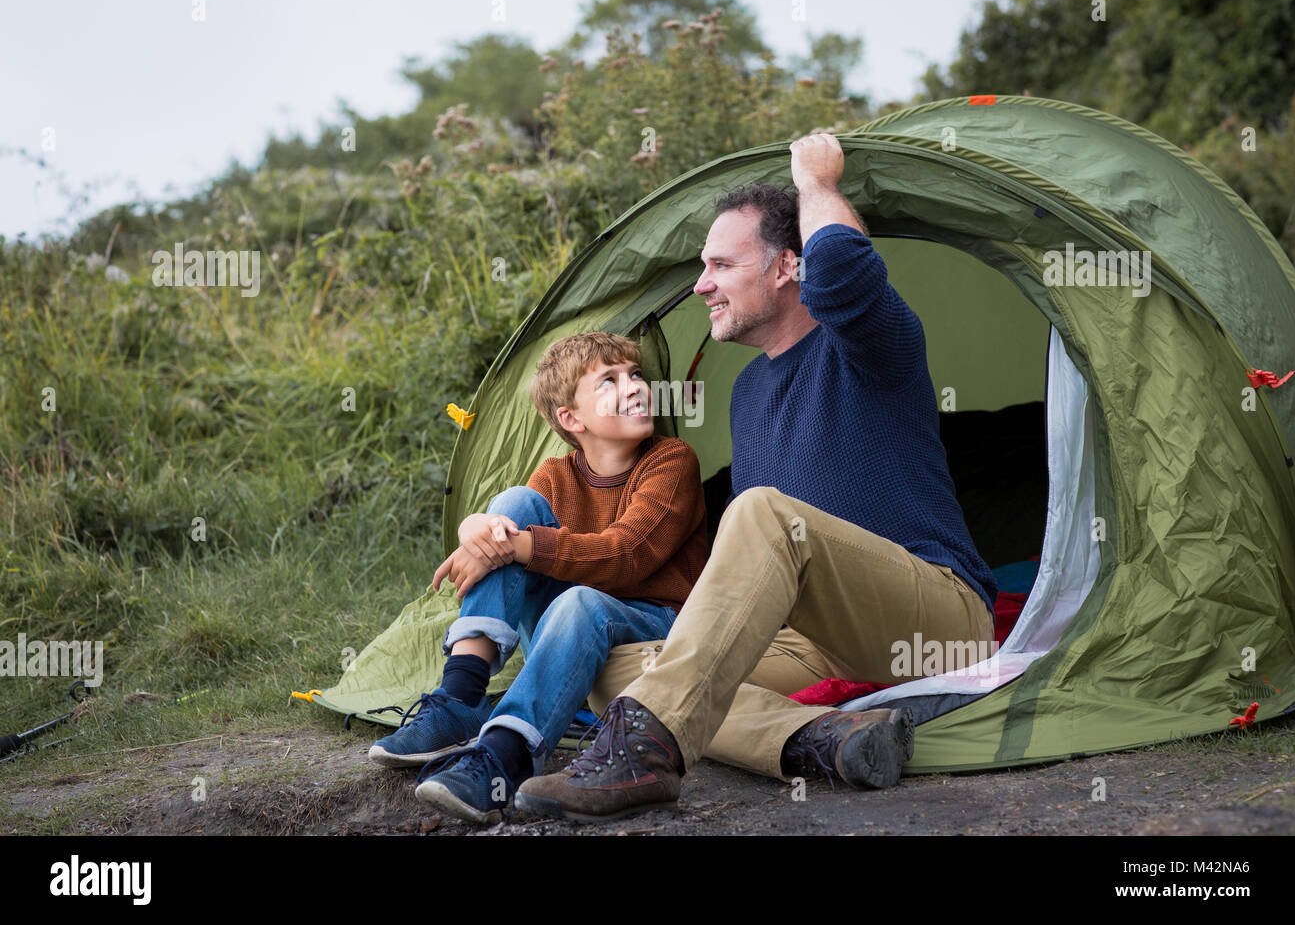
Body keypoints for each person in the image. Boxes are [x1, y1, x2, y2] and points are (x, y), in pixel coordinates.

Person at [514, 133, 999, 822]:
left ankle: (643, 756)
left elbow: (844, 272)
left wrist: (815, 181)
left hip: (935, 619)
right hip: (812, 641)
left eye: (719, 264)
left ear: (785, 269)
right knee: (612, 668)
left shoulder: (872, 347)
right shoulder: (745, 394)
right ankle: (822, 741)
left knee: (767, 512)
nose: (700, 284)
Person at [368, 331, 708, 824]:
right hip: (567, 631)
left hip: (653, 627)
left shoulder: (672, 462)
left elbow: (625, 556)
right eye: (609, 381)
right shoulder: (555, 473)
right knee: (512, 506)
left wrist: (512, 545)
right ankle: (460, 696)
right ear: (572, 419)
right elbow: (506, 525)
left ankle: (505, 758)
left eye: (635, 375)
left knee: (573, 594)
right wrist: (475, 529)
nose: (634, 386)